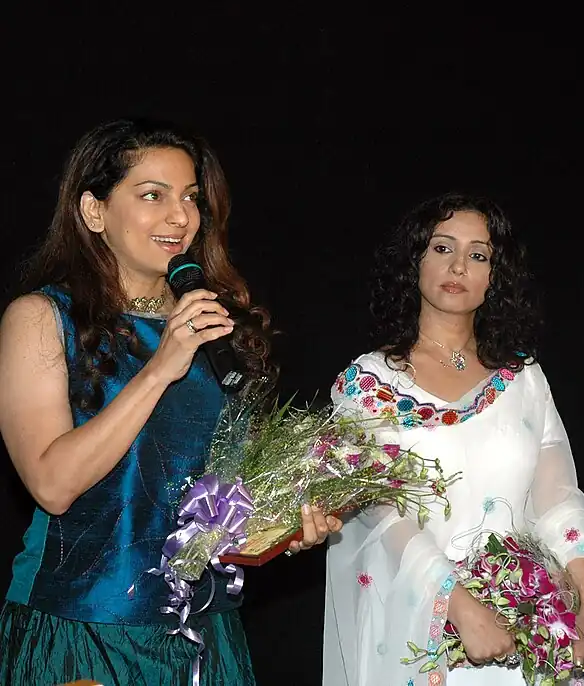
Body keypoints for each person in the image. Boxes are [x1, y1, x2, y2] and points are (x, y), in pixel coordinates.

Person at [0, 118, 340, 686]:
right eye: (152, 196)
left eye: (190, 198)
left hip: (202, 636)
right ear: (93, 212)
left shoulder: (217, 328)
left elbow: (223, 493)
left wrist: (288, 524)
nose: (180, 216)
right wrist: (159, 368)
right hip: (87, 631)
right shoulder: (41, 318)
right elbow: (51, 484)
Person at [322, 192, 584, 685]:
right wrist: (457, 603)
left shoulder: (523, 378)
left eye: (478, 254)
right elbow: (384, 515)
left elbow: (558, 500)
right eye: (442, 248)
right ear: (416, 261)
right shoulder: (368, 384)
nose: (459, 266)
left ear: (496, 276)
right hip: (419, 626)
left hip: (527, 627)